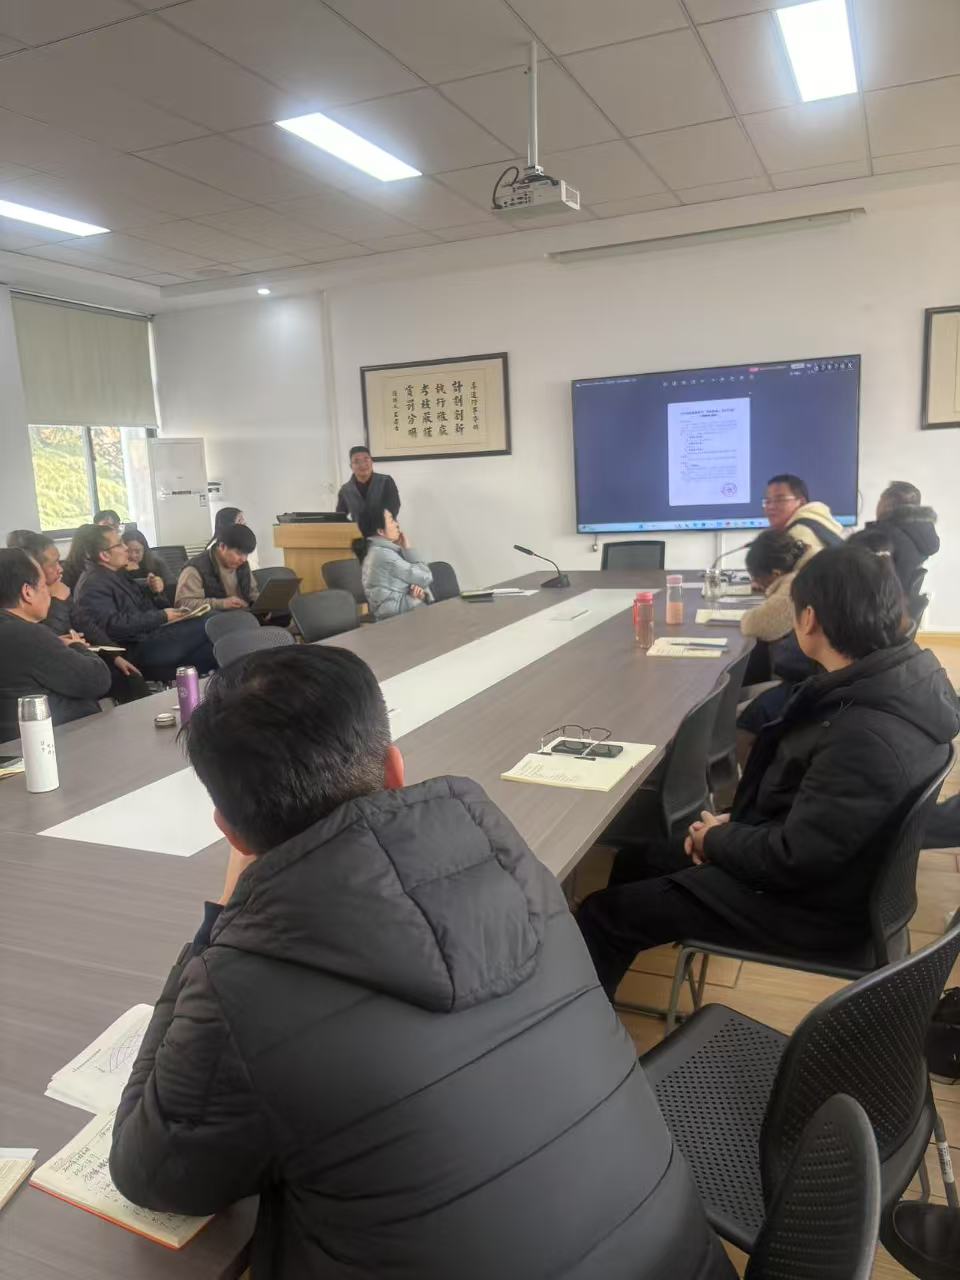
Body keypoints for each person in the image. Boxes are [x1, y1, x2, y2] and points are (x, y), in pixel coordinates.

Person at [109, 646, 734, 1280]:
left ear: (230, 832)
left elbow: (150, 1175)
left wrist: (216, 929)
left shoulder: (241, 985)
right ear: (395, 769)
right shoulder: (513, 863)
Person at [577, 545, 959, 1000]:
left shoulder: (864, 734)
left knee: (601, 915)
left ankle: (587, 1029)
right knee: (634, 861)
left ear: (808, 619)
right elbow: (825, 816)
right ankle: (610, 982)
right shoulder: (893, 687)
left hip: (814, 910)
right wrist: (737, 826)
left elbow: (797, 858)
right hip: (835, 875)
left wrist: (717, 840)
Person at [12, 532, 148, 706]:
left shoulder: (60, 589)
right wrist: (58, 603)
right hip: (59, 671)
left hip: (81, 655)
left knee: (130, 675)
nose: (60, 569)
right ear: (34, 569)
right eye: (53, 564)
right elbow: (46, 639)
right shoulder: (27, 602)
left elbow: (85, 623)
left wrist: (115, 656)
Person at [76, 526, 215, 683]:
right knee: (212, 621)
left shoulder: (115, 574)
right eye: (120, 544)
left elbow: (143, 607)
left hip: (149, 636)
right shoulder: (93, 584)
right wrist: (162, 616)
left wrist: (158, 598)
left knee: (214, 648)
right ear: (104, 555)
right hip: (136, 648)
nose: (126, 548)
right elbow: (113, 626)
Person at [0, 548, 111, 742]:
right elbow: (97, 680)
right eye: (44, 585)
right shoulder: (26, 634)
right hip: (51, 743)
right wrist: (77, 646)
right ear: (27, 592)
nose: (49, 593)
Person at [858, 481, 939, 597]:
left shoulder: (880, 535)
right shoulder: (920, 537)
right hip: (894, 604)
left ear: (888, 504)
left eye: (880, 500)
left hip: (869, 603)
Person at [358, 506, 432, 620]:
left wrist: (416, 593)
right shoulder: (384, 556)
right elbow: (425, 577)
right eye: (392, 520)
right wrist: (408, 549)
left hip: (394, 615)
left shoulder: (377, 551)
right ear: (380, 531)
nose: (397, 524)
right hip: (396, 619)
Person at [176, 524, 259, 612]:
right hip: (215, 618)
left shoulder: (242, 564)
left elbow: (253, 593)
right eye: (239, 553)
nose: (243, 559)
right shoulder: (195, 569)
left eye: (246, 554)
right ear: (222, 547)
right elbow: (182, 604)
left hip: (245, 615)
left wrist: (260, 606)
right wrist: (222, 604)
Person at [763, 473, 845, 552]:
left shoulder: (797, 537)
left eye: (780, 500)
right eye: (767, 501)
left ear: (801, 502)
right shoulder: (823, 521)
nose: (771, 506)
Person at [336, 445, 400, 525]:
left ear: (372, 462)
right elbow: (340, 517)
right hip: (357, 531)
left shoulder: (386, 481)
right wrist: (352, 528)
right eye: (356, 461)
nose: (362, 464)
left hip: (385, 530)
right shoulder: (345, 490)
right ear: (351, 466)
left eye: (366, 460)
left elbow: (393, 508)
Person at [121, 531, 172, 598]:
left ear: (144, 550)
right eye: (128, 551)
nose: (133, 556)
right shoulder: (117, 569)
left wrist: (161, 586)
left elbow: (172, 589)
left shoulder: (157, 564)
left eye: (137, 551)